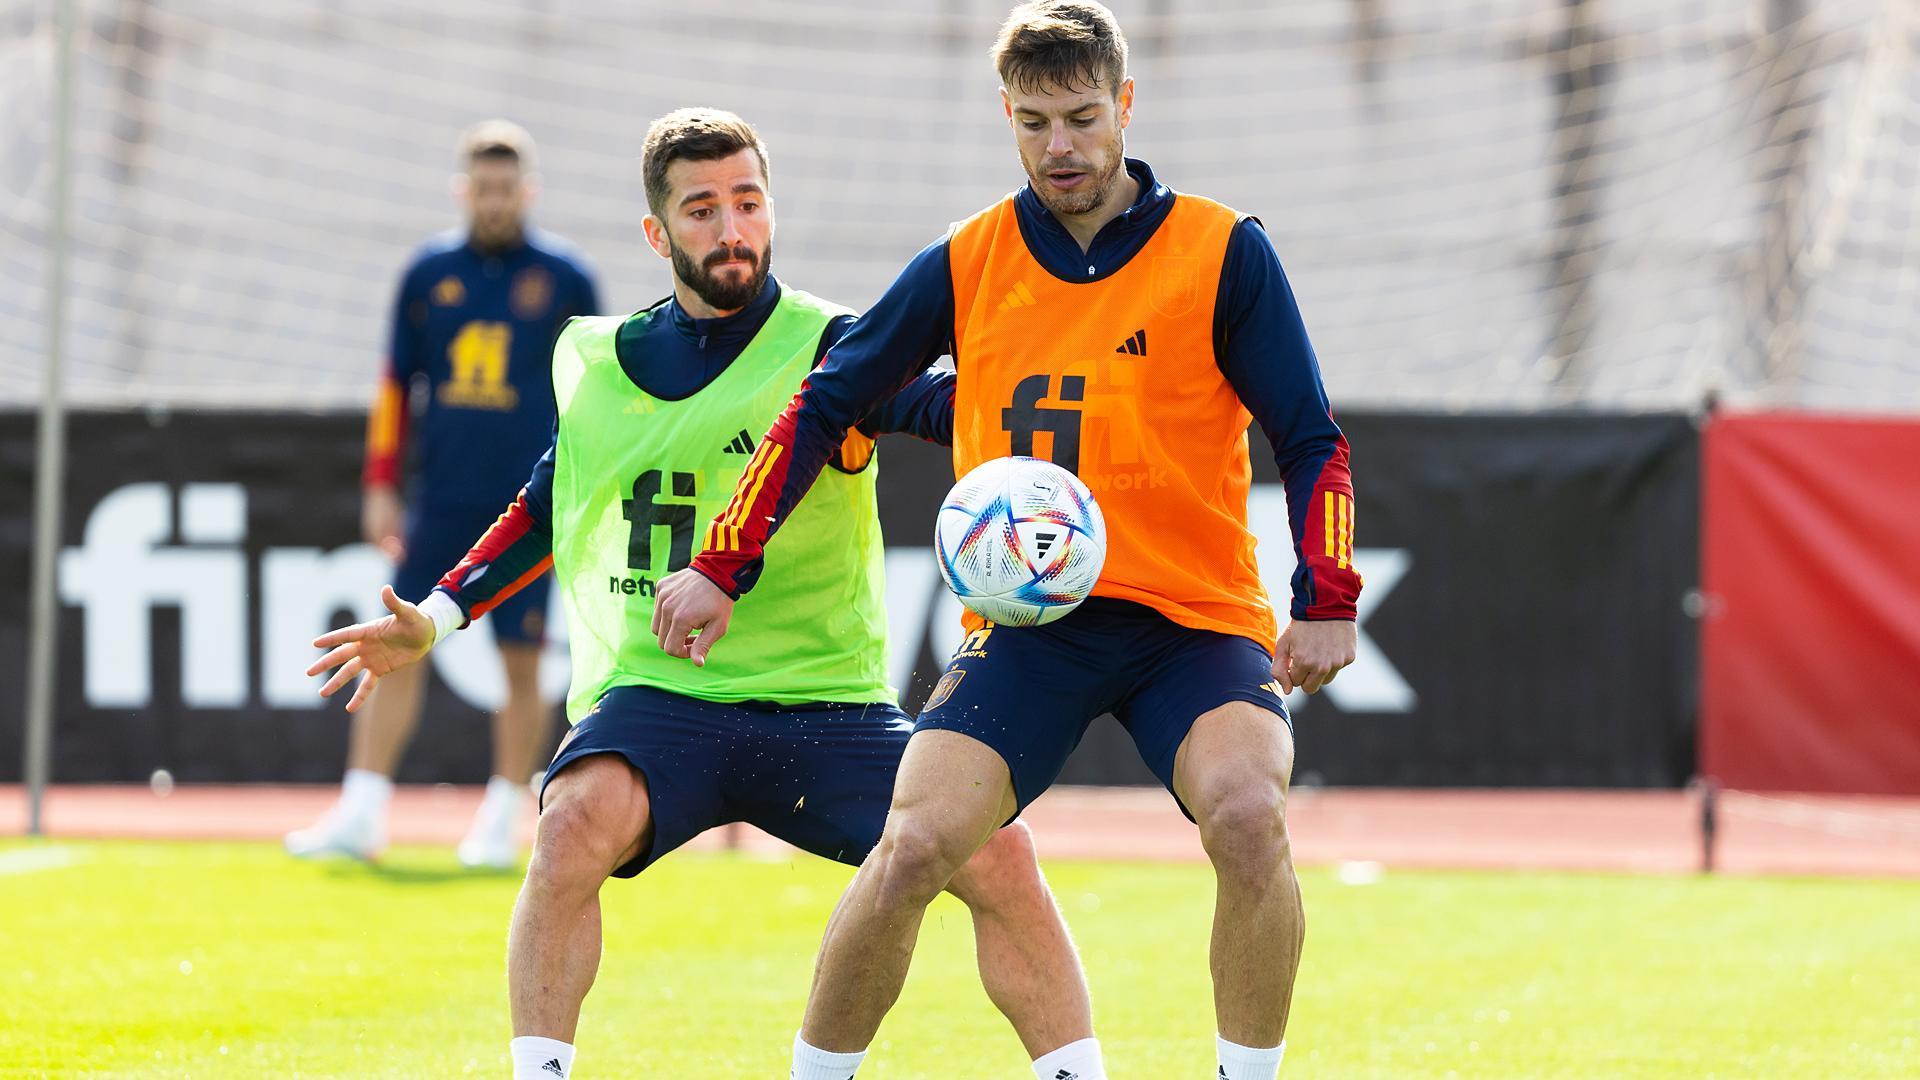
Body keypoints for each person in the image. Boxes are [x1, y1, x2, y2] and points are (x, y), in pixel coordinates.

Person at [305, 108, 1101, 1080]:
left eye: (748, 202)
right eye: (702, 209)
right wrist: (435, 616)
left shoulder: (834, 346)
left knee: (1000, 853)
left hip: (828, 704)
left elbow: (951, 407)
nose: (732, 230)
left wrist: (1047, 400)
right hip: (660, 701)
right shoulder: (607, 365)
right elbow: (547, 506)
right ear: (657, 233)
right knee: (568, 825)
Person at [652, 4, 1363, 1076]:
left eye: (1081, 118)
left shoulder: (1222, 250)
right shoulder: (968, 257)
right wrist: (720, 563)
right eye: (1034, 124)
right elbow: (825, 401)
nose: (1060, 148)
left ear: (1124, 105)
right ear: (1008, 117)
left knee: (1251, 814)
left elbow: (1311, 437)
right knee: (914, 849)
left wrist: (1328, 592)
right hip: (1028, 624)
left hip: (1193, 617)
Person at [287, 120, 600, 869]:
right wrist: (381, 484)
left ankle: (501, 816)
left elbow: (593, 390)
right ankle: (363, 808)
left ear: (528, 191)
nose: (495, 202)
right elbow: (396, 384)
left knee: (522, 659)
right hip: (444, 495)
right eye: (482, 189)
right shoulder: (428, 274)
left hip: (530, 500)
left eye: (507, 189)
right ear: (465, 191)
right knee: (399, 640)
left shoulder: (566, 279)